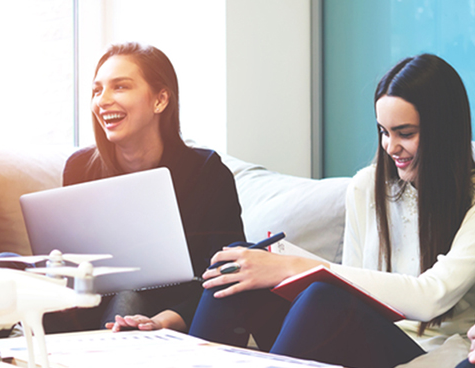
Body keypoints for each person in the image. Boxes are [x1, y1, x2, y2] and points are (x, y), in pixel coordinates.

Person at [188, 53, 475, 368]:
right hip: (362, 335)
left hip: (428, 352)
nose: (391, 147)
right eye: (383, 131)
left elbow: (432, 296)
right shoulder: (366, 187)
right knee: (239, 263)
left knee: (324, 299)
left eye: (405, 133)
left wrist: (295, 266)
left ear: (444, 132)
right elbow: (354, 286)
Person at [55, 42, 246, 333]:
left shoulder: (207, 173)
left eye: (119, 87)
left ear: (160, 100)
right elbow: (69, 271)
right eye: (97, 90)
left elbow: (227, 272)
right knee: (2, 264)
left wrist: (165, 320)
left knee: (129, 298)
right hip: (88, 307)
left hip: (178, 313)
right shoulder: (80, 168)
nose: (102, 100)